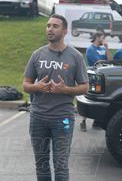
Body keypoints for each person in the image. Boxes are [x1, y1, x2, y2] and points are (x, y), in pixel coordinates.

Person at [22, 14, 89, 181]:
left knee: (61, 165)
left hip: (63, 119)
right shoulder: (37, 55)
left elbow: (85, 87)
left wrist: (65, 90)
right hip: (38, 117)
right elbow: (26, 85)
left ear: (65, 31)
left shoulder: (75, 56)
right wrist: (37, 87)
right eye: (48, 25)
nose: (50, 29)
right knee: (42, 164)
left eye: (55, 26)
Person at [80, 32, 112, 132]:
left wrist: (107, 48)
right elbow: (98, 63)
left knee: (99, 98)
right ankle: (83, 121)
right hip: (93, 77)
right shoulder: (91, 49)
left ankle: (96, 121)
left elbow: (110, 60)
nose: (104, 40)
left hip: (101, 77)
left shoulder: (103, 48)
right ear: (97, 37)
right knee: (90, 97)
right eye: (103, 37)